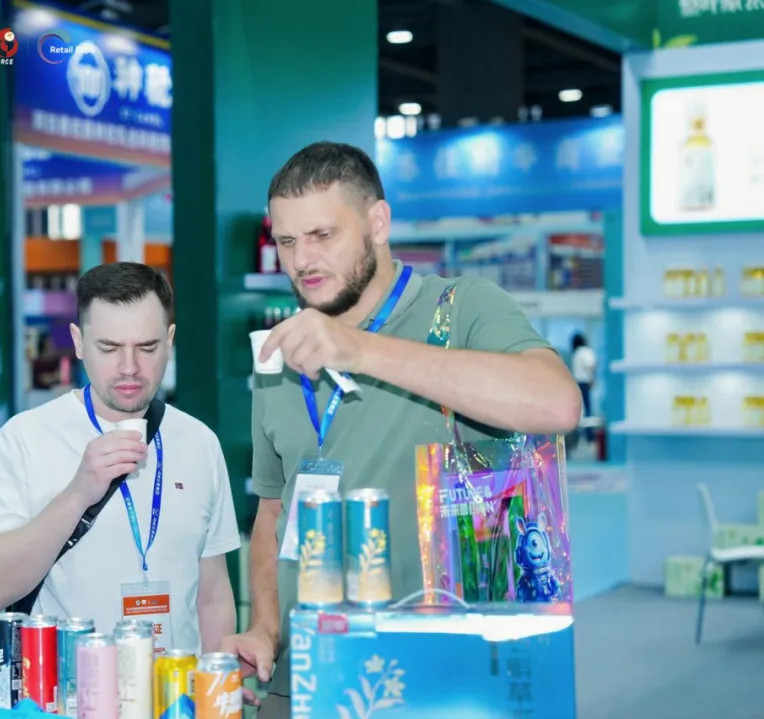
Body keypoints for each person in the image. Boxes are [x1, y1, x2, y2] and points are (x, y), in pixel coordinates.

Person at [221, 142, 582, 718]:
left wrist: (360, 349)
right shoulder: (280, 353)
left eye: (322, 235)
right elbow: (272, 511)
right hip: (307, 670)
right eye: (287, 241)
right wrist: (266, 629)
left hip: (440, 675)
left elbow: (557, 402)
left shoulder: (460, 308)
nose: (302, 260)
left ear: (378, 223)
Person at [0, 262, 241, 656]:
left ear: (169, 340)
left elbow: (213, 596)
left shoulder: (199, 442)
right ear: (78, 342)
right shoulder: (24, 439)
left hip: (176, 688)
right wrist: (78, 494)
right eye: (109, 348)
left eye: (147, 347)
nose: (129, 368)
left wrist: (218, 679)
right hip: (68, 685)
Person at [571, 333, 597, 441]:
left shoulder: (576, 353)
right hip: (585, 382)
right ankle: (589, 435)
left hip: (577, 382)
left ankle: (581, 434)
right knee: (587, 409)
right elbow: (591, 366)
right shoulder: (586, 352)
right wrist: (592, 378)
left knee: (579, 410)